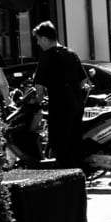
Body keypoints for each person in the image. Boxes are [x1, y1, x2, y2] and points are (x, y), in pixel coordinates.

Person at [32, 21, 87, 169]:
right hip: (77, 106)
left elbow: (39, 87)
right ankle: (80, 174)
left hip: (59, 107)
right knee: (75, 141)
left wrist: (38, 100)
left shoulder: (47, 56)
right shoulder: (71, 53)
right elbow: (83, 81)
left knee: (58, 143)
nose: (37, 43)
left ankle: (69, 175)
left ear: (44, 38)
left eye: (38, 39)